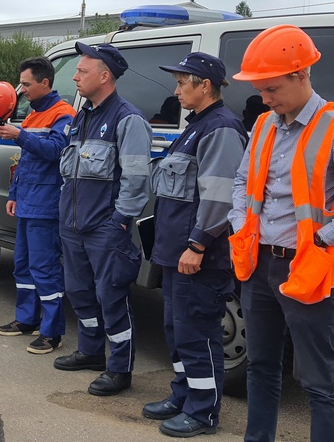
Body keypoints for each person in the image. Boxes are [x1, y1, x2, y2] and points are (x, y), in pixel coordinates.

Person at [228, 25, 334, 442]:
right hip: (259, 264)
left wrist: (326, 237)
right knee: (262, 367)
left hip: (309, 268)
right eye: (261, 91)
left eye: (271, 89)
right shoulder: (265, 125)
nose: (263, 99)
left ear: (301, 74)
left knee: (319, 379)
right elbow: (241, 182)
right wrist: (239, 224)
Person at [143, 53, 247, 438]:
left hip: (199, 257)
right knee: (177, 329)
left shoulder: (219, 127)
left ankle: (203, 413)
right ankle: (183, 396)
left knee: (198, 333)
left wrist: (199, 244)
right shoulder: (197, 126)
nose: (176, 91)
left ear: (205, 86)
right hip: (175, 253)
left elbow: (220, 197)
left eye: (182, 83)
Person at [54, 41, 152, 396]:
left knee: (111, 298)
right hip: (73, 227)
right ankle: (91, 352)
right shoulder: (84, 115)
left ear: (105, 76)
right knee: (80, 293)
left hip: (104, 230)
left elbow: (137, 179)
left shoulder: (128, 119)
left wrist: (120, 222)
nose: (76, 77)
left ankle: (119, 368)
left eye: (82, 71)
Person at [0, 56, 74, 355]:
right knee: (23, 265)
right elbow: (25, 163)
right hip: (27, 202)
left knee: (45, 268)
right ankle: (27, 320)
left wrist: (19, 135)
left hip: (46, 205)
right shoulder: (33, 115)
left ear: (45, 83)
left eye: (26, 84)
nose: (21, 90)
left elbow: (56, 152)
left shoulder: (64, 114)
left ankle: (52, 332)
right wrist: (13, 194)